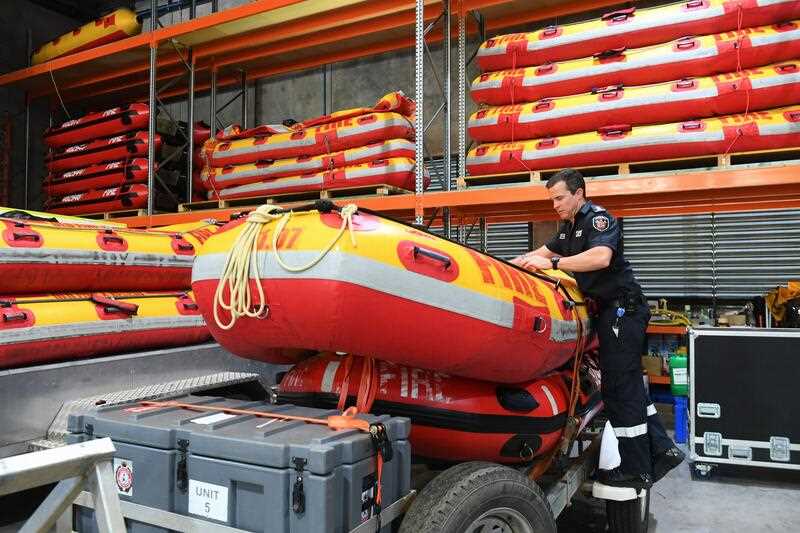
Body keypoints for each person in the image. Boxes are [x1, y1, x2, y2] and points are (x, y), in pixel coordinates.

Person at [511, 168, 684, 489]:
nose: (555, 205)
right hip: (610, 312)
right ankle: (662, 451)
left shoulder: (598, 219)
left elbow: (601, 257)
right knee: (625, 386)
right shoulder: (570, 228)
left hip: (623, 309)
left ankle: (638, 468)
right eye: (552, 200)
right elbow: (542, 253)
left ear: (579, 193)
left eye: (560, 198)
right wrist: (515, 263)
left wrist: (553, 265)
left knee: (619, 388)